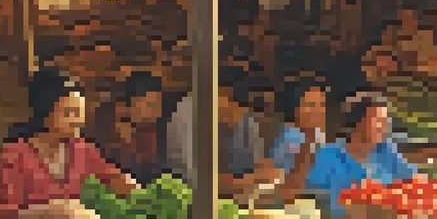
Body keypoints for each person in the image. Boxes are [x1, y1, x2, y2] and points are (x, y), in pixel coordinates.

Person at [0, 68, 136, 219]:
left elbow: (114, 179)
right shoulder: (14, 157)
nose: (77, 121)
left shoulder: (83, 150)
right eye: (68, 114)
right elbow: (6, 217)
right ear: (45, 113)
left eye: (80, 113)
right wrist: (55, 213)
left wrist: (138, 193)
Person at [283, 93, 418, 219]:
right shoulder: (328, 156)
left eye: (385, 121)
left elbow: (413, 181)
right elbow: (304, 199)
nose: (384, 127)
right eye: (378, 121)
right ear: (356, 123)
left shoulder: (386, 150)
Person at [166, 65, 279, 199]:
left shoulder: (244, 116)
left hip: (237, 198)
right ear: (217, 93)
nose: (237, 117)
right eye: (231, 104)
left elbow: (256, 163)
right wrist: (244, 182)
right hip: (191, 200)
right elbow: (193, 179)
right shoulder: (187, 115)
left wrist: (263, 170)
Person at [99, 71, 171, 185]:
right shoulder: (113, 133)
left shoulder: (162, 132)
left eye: (159, 105)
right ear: (128, 106)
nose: (157, 112)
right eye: (149, 105)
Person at [269, 75, 330, 172]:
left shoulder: (323, 138)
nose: (318, 110)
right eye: (311, 105)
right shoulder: (285, 142)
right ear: (296, 109)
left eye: (321, 104)